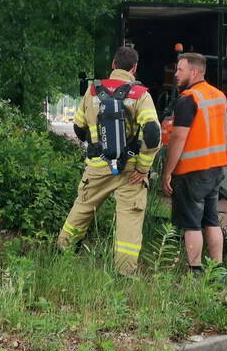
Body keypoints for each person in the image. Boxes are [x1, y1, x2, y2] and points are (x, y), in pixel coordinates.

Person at [57, 46, 161, 275]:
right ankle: (124, 273)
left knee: (82, 208)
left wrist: (96, 146)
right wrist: (143, 167)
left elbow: (78, 127)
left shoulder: (93, 92)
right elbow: (153, 133)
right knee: (129, 221)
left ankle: (63, 252)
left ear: (113, 65)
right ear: (134, 68)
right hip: (131, 171)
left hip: (97, 167)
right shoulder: (140, 94)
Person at [161, 52, 227, 273]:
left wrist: (167, 172)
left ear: (194, 72)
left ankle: (195, 269)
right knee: (211, 220)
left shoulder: (188, 99)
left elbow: (179, 137)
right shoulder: (219, 96)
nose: (176, 74)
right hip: (215, 169)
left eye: (180, 69)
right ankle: (217, 270)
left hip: (191, 171)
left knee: (191, 223)